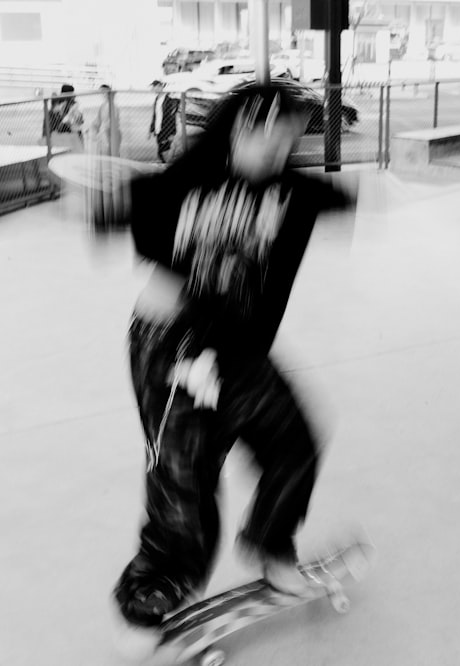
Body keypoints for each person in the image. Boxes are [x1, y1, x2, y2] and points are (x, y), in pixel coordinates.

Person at [112, 84, 356, 632]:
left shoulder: (288, 192)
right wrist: (107, 207)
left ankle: (273, 545)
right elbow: (134, 211)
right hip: (172, 346)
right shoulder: (180, 186)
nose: (276, 152)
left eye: (288, 141)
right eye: (264, 137)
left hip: (239, 349)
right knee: (184, 474)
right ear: (234, 131)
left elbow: (329, 197)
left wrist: (349, 197)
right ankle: (153, 591)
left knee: (292, 440)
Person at [87, 84, 121, 157]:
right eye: (101, 92)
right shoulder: (103, 105)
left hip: (110, 134)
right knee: (106, 155)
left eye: (103, 92)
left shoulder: (113, 106)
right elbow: (98, 121)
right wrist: (92, 127)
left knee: (111, 155)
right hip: (105, 134)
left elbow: (112, 122)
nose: (101, 94)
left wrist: (101, 132)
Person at [149, 80, 179, 162]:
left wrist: (172, 133)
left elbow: (171, 117)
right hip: (158, 129)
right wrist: (151, 129)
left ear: (160, 86)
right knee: (161, 151)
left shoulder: (169, 99)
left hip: (166, 130)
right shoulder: (157, 99)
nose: (153, 89)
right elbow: (155, 115)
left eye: (154, 87)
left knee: (164, 152)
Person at [48, 83, 84, 151]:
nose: (73, 96)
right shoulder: (59, 106)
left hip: (75, 133)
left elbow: (79, 121)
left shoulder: (77, 105)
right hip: (62, 135)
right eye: (71, 94)